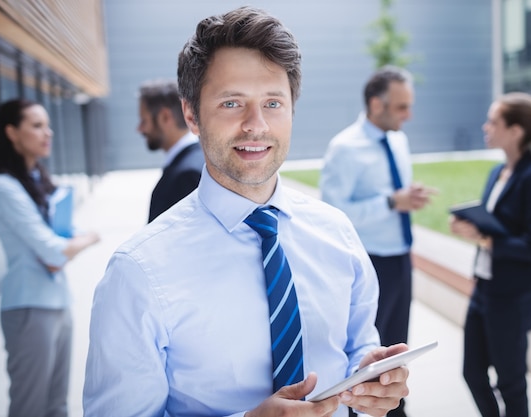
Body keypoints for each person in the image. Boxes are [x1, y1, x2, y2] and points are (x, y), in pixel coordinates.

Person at [83, 6, 410, 417]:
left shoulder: (337, 233)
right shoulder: (138, 272)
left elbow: (357, 346)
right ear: (191, 115)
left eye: (273, 103)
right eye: (232, 103)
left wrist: (370, 384)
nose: (256, 125)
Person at [320, 66, 435, 416]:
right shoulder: (344, 148)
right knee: (365, 353)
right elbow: (334, 213)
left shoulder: (398, 140)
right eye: (401, 107)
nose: (408, 115)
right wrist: (389, 202)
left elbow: (394, 194)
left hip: (401, 256)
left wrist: (405, 198)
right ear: (375, 104)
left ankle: (395, 409)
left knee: (397, 347)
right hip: (369, 262)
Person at [0, 99, 100, 417]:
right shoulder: (1, 187)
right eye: (36, 125)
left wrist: (65, 246)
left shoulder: (35, 180)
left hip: (57, 301)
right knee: (30, 407)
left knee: (57, 406)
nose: (47, 133)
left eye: (47, 125)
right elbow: (53, 249)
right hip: (29, 307)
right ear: (12, 133)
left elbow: (57, 244)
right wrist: (89, 238)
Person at [449, 92, 531, 417]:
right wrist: (471, 224)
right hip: (484, 288)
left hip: (513, 296)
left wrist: (484, 239)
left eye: (494, 121)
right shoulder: (498, 172)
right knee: (472, 373)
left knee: (511, 383)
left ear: (515, 131)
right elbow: (498, 226)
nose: (486, 127)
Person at [137, 79, 205, 222]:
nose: (140, 129)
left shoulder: (187, 175)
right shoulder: (196, 160)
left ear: (165, 117)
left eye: (144, 121)